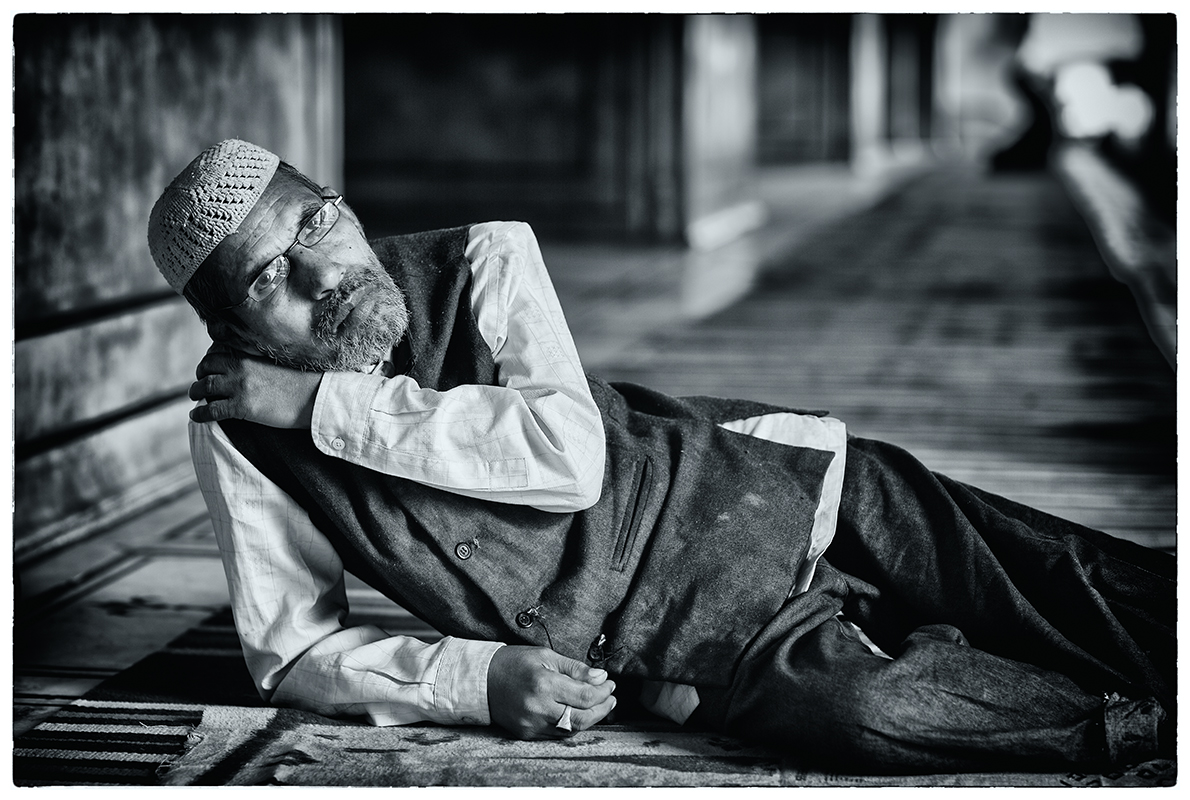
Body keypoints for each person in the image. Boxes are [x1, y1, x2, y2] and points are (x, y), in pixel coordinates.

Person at [148, 139, 1174, 773]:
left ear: (339, 199)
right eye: (270, 279)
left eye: (319, 219)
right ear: (230, 331)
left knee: (1071, 584)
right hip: (692, 642)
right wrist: (475, 678)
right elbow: (288, 652)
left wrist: (326, 401)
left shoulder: (485, 254)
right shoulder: (236, 427)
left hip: (778, 485)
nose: (325, 271)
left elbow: (566, 458)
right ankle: (1133, 728)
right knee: (870, 712)